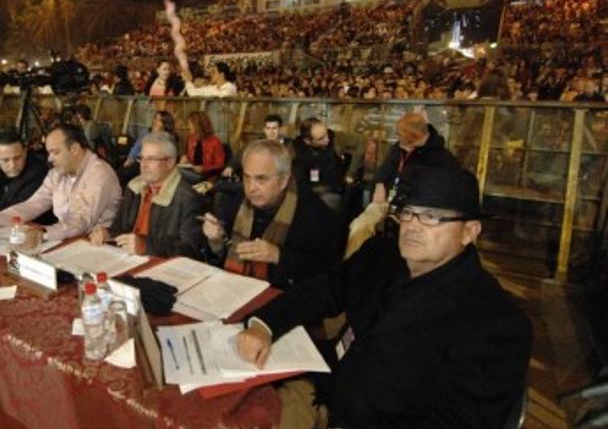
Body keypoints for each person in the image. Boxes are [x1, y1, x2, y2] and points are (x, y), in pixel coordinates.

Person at [236, 165, 532, 429]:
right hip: (325, 389)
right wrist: (265, 324)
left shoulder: (496, 324)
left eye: (432, 217)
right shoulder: (381, 255)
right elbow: (321, 290)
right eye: (408, 212)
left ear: (470, 231)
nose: (413, 226)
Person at [202, 140, 340, 289]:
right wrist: (217, 237)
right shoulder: (240, 201)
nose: (251, 188)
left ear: (283, 180)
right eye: (247, 177)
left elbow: (327, 271)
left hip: (286, 298)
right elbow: (220, 254)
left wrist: (278, 255)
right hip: (235, 289)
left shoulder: (314, 214)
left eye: (261, 179)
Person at [0, 124, 122, 241]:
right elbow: (33, 205)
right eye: (49, 153)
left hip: (96, 247)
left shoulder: (99, 173)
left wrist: (43, 233)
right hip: (65, 241)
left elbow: (81, 221)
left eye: (55, 152)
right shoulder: (56, 173)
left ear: (75, 149)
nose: (49, 158)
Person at [90, 132, 204, 258]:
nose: (143, 165)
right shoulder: (133, 188)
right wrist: (108, 234)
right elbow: (120, 229)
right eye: (141, 158)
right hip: (126, 258)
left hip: (159, 266)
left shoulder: (188, 198)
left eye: (151, 159)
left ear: (170, 162)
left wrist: (146, 246)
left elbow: (190, 250)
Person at [371, 112, 458, 204]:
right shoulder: (401, 146)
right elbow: (387, 166)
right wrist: (379, 184)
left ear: (412, 136)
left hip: (414, 208)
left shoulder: (440, 158)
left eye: (400, 134)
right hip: (387, 201)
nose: (397, 137)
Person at [223, 114, 289, 178]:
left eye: (274, 128)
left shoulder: (287, 144)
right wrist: (231, 167)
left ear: (280, 129)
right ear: (264, 130)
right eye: (268, 128)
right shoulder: (258, 143)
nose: (271, 132)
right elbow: (243, 153)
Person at [180, 111, 225, 178]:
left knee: (179, 173)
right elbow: (189, 159)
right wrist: (184, 161)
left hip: (206, 176)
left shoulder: (215, 142)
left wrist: (203, 168)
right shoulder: (190, 139)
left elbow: (220, 166)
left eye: (190, 123)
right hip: (192, 172)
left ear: (198, 125)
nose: (188, 126)